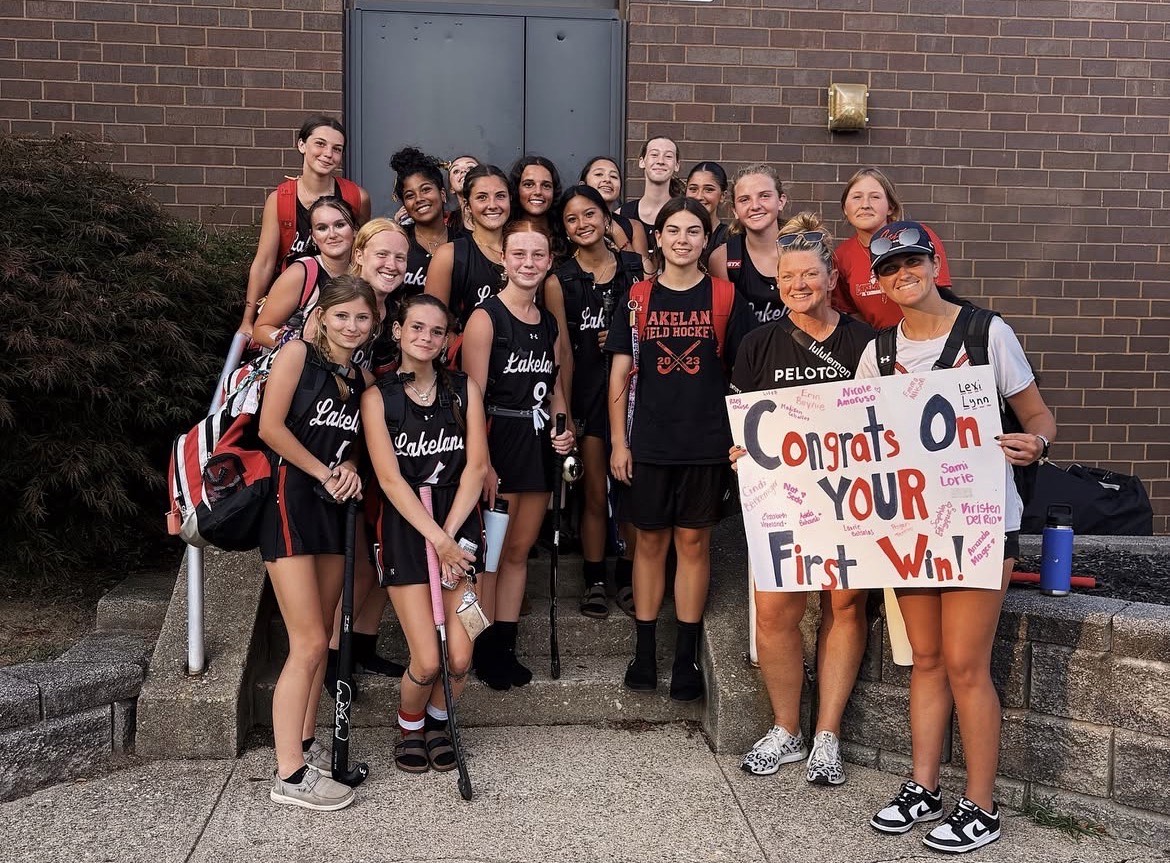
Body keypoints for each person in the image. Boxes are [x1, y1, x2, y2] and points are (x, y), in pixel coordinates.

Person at [854, 221, 1056, 853]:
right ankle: (923, 787)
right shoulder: (877, 351)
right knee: (927, 659)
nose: (902, 274)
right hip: (911, 524)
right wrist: (768, 459)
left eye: (912, 261)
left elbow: (1037, 413)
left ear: (934, 264)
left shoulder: (987, 332)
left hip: (979, 520)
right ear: (878, 282)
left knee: (967, 664)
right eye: (889, 268)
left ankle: (982, 805)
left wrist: (1037, 443)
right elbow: (849, 439)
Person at [728, 213, 877, 786]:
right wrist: (740, 450)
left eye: (809, 274)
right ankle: (786, 728)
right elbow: (742, 422)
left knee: (845, 606)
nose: (798, 285)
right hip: (782, 500)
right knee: (775, 612)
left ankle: (827, 734)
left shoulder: (865, 342)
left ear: (831, 277)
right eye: (787, 276)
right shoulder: (757, 344)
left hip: (849, 497)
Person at [606, 197, 753, 701]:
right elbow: (619, 376)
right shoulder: (636, 297)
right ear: (659, 237)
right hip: (648, 443)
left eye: (693, 231)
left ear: (706, 239)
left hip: (706, 444)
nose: (683, 240)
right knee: (648, 545)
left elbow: (744, 375)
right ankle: (644, 651)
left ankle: (686, 656)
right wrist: (619, 442)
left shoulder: (726, 297)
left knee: (693, 545)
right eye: (673, 230)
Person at [258, 276, 378, 811]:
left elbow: (352, 444)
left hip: (334, 509)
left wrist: (347, 466)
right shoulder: (297, 355)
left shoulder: (361, 377)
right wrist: (323, 472)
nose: (352, 326)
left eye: (362, 317)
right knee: (306, 641)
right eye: (342, 315)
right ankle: (288, 774)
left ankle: (306, 748)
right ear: (323, 315)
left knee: (323, 633)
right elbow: (271, 428)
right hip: (291, 502)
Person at [362, 294, 488, 773]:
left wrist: (450, 538)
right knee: (428, 660)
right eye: (416, 327)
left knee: (461, 655)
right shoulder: (379, 397)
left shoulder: (464, 389)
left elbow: (475, 467)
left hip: (459, 528)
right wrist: (436, 539)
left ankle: (439, 722)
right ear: (397, 331)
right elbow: (389, 479)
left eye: (437, 331)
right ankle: (411, 726)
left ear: (447, 339)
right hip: (406, 529)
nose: (426, 338)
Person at [461, 221, 575, 690]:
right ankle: (482, 647)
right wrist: (481, 463)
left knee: (518, 551)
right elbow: (470, 397)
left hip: (536, 443)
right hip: (497, 441)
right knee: (489, 554)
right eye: (520, 254)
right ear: (503, 260)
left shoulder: (547, 322)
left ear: (549, 262)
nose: (529, 263)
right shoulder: (486, 317)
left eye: (538, 255)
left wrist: (564, 429)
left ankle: (504, 646)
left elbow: (556, 386)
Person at [545, 185, 643, 619]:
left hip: (634, 396)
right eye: (571, 218)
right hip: (586, 394)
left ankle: (628, 574)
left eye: (590, 214)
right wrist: (565, 410)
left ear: (607, 218)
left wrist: (622, 338)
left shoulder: (636, 269)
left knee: (632, 490)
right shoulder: (559, 280)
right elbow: (561, 351)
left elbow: (652, 328)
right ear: (564, 229)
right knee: (593, 492)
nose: (582, 223)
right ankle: (594, 578)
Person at [240, 116, 371, 337]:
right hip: (290, 306)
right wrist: (247, 320)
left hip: (341, 303)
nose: (328, 153)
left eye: (337, 149)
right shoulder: (280, 200)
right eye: (320, 144)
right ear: (302, 145)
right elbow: (264, 263)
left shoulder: (356, 197)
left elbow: (364, 254)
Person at [833, 167, 953, 329]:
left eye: (875, 197)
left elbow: (944, 296)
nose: (865, 205)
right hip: (881, 340)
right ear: (845, 208)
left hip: (931, 335)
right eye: (856, 197)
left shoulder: (917, 236)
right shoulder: (841, 256)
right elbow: (852, 312)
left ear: (891, 207)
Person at [253, 196, 358, 350]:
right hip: (297, 362)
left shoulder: (364, 272)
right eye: (322, 228)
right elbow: (261, 330)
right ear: (313, 236)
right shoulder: (301, 272)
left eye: (340, 225)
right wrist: (303, 350)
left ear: (355, 229)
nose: (332, 234)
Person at [425, 164, 511, 333]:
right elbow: (432, 324)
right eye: (482, 197)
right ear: (468, 205)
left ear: (510, 199)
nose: (492, 205)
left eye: (500, 196)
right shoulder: (450, 255)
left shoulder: (525, 251)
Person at [709, 164, 788, 328]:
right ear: (734, 210)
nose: (755, 206)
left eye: (764, 196)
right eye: (744, 199)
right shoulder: (723, 258)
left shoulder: (804, 250)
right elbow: (724, 324)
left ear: (781, 201)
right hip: (746, 343)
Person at [390, 147, 463, 297]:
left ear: (442, 194)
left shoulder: (463, 242)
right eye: (410, 196)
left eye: (426, 190)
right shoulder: (397, 241)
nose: (419, 199)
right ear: (405, 205)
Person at [579, 155, 653, 275]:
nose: (607, 180)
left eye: (613, 176)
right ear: (583, 184)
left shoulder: (633, 226)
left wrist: (618, 233)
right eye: (599, 174)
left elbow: (645, 274)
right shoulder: (572, 223)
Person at [616, 135, 682, 258]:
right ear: (642, 162)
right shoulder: (622, 214)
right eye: (654, 155)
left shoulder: (685, 212)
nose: (660, 161)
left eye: (668, 156)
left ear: (677, 165)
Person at [685, 161, 730, 256]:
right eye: (693, 189)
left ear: (723, 195)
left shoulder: (731, 239)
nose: (699, 197)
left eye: (709, 190)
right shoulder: (674, 235)